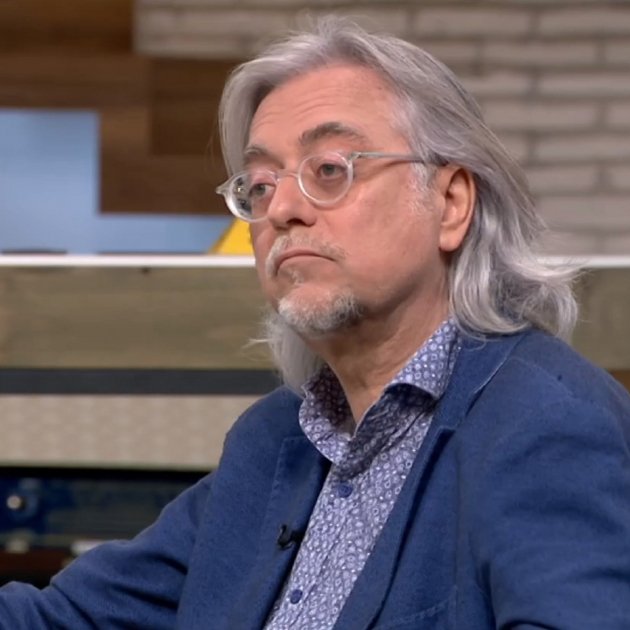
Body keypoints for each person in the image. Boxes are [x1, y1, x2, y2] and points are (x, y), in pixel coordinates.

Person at [2, 15, 630, 630]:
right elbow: (61, 619)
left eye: (330, 169)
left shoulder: (548, 423)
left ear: (450, 203)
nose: (282, 209)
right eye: (260, 184)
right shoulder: (273, 441)